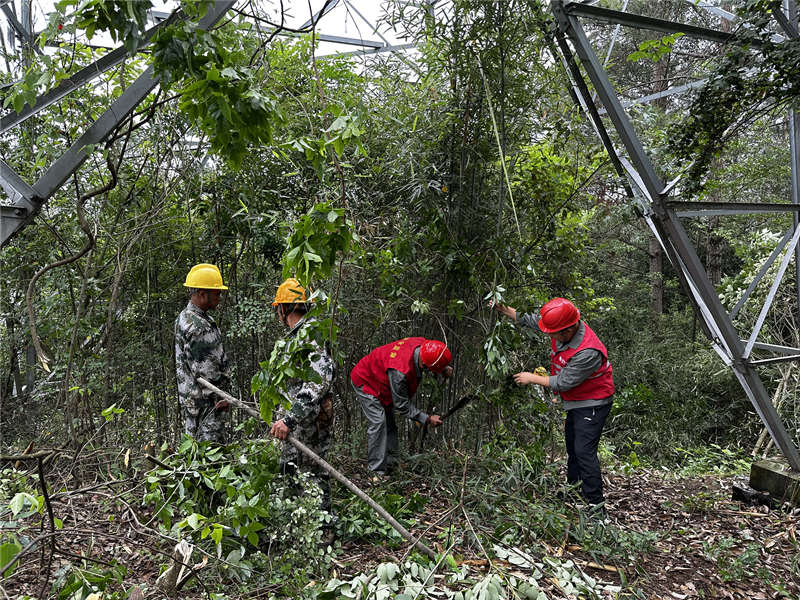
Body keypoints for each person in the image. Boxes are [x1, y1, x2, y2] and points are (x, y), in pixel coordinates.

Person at [493, 297, 614, 509]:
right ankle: (574, 491)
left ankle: (596, 506)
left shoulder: (588, 351)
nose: (549, 336)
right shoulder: (561, 326)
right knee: (573, 448)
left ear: (568, 331)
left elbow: (564, 382)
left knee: (584, 452)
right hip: (576, 402)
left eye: (553, 333)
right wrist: (502, 308)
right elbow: (531, 320)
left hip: (593, 402)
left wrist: (532, 378)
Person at [268, 278, 336, 516]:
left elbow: (318, 382)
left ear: (284, 308)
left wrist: (289, 419)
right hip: (297, 426)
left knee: (314, 474)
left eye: (278, 308)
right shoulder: (296, 337)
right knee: (292, 472)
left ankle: (323, 528)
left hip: (309, 424)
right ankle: (298, 525)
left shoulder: (310, 335)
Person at [350, 337, 452, 478]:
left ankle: (392, 465)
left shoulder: (424, 346)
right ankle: (375, 473)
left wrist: (443, 368)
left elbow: (432, 358)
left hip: (382, 381)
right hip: (366, 380)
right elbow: (402, 406)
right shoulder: (400, 371)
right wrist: (427, 419)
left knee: (390, 425)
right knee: (379, 422)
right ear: (424, 365)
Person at [174, 263, 231, 443]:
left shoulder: (188, 317)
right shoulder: (197, 326)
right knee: (211, 457)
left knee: (197, 455)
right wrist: (220, 396)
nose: (219, 298)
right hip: (206, 407)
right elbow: (206, 372)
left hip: (195, 404)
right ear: (202, 294)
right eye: (216, 293)